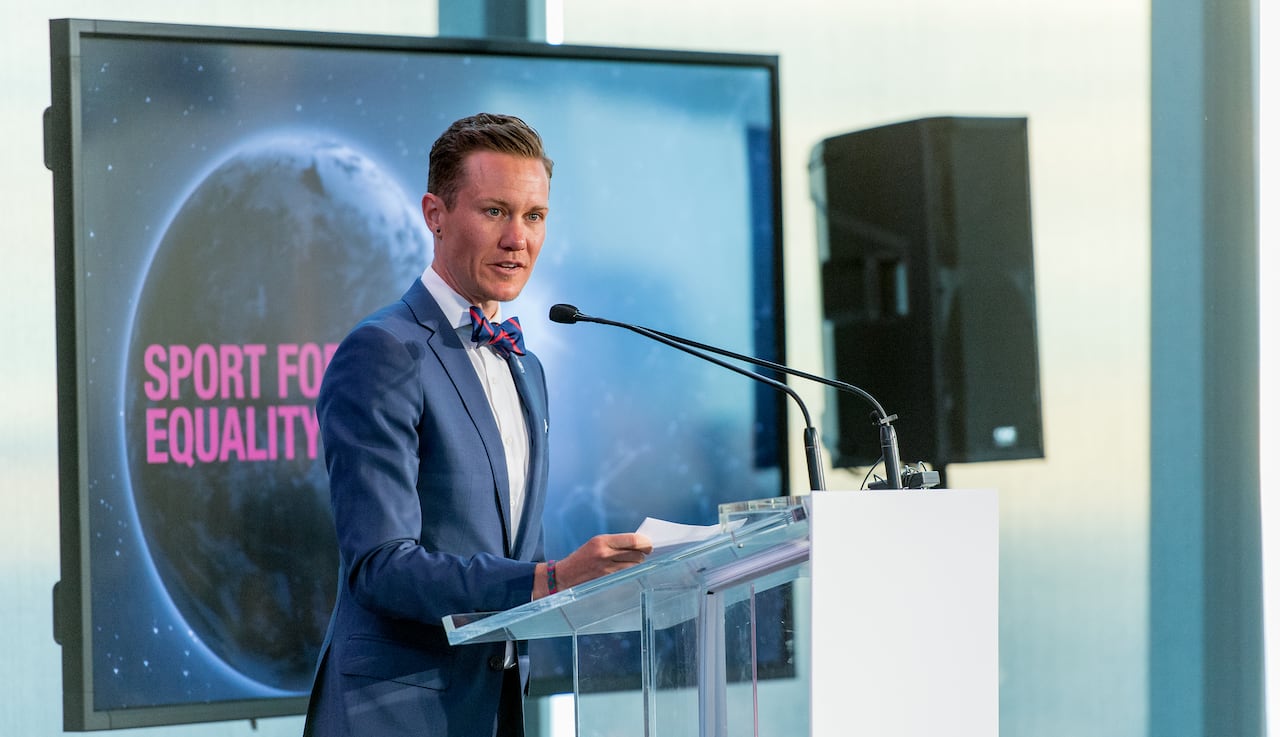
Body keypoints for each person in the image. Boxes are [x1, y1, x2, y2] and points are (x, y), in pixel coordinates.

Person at [303, 113, 653, 737]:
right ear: (434, 213)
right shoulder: (384, 351)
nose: (518, 238)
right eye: (495, 211)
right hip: (397, 714)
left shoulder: (527, 367)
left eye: (535, 216)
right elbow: (381, 566)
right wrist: (548, 580)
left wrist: (596, 588)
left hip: (494, 711)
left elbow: (511, 548)